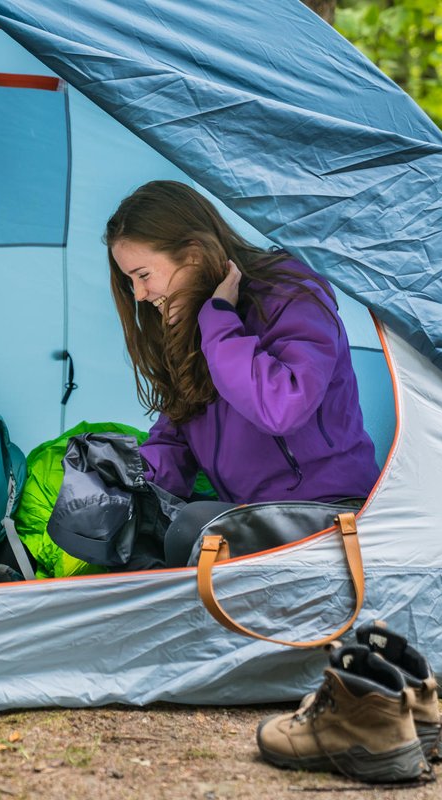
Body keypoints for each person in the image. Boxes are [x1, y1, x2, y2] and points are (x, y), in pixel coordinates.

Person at [104, 181, 380, 566]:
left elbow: (281, 407)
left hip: (328, 514)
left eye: (143, 275)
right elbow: (176, 438)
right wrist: (117, 483)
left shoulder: (289, 293)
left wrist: (219, 320)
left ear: (194, 255)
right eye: (129, 281)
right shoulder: (194, 325)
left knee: (195, 527)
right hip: (251, 520)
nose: (139, 295)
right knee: (133, 543)